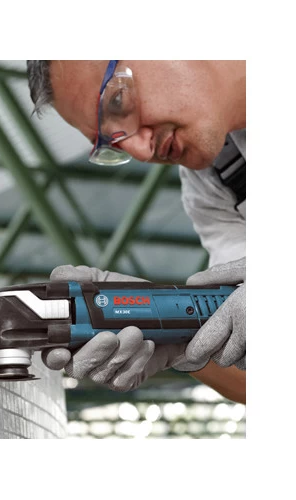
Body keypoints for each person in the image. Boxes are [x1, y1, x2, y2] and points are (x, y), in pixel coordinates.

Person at [26, 60, 246, 403]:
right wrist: (182, 338)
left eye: (117, 102)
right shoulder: (218, 183)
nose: (142, 151)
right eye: (112, 144)